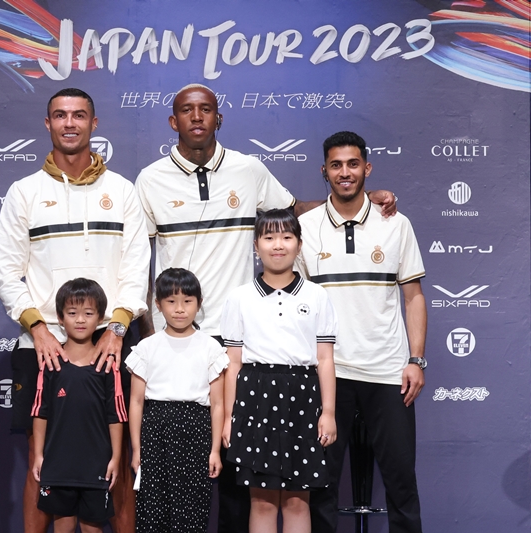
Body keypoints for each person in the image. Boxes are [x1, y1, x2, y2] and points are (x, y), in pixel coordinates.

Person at [133, 83, 395, 533]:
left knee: (240, 475)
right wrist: (149, 334)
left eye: (206, 109)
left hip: (239, 337)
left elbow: (295, 212)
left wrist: (358, 201)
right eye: (187, 110)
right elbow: (138, 261)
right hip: (179, 337)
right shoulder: (150, 179)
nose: (197, 117)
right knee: (183, 465)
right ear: (173, 121)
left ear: (219, 118)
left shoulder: (249, 169)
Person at [0, 87, 149, 533]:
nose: (69, 123)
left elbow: (137, 266)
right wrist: (39, 329)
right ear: (48, 124)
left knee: (117, 460)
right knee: (40, 462)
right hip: (42, 345)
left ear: (93, 124)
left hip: (111, 342)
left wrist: (116, 328)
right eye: (60, 115)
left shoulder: (121, 190)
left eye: (79, 115)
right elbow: (6, 272)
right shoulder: (24, 192)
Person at [297, 131, 426, 533]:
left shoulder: (396, 224)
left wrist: (416, 359)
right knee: (320, 489)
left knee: (402, 485)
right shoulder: (304, 228)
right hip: (327, 374)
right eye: (336, 165)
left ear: (367, 168)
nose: (345, 173)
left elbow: (413, 297)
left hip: (388, 372)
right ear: (324, 171)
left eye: (353, 164)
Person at [221, 209, 338, 533]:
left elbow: (325, 359)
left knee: (298, 500)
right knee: (261, 500)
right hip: (254, 398)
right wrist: (230, 417)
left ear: (299, 244)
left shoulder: (317, 296)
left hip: (302, 397)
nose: (278, 245)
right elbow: (233, 363)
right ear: (256, 246)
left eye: (286, 237)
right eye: (269, 237)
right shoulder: (239, 297)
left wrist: (328, 412)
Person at [126, 268, 228, 533]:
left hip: (196, 432)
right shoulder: (147, 347)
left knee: (191, 508)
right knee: (153, 507)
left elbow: (217, 404)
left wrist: (215, 450)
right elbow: (136, 402)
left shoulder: (211, 347)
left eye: (187, 301)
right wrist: (137, 449)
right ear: (158, 305)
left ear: (199, 303)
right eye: (171, 301)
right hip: (155, 431)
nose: (180, 309)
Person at [31, 278, 126, 533]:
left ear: (100, 318)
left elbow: (116, 416)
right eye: (72, 313)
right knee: (62, 525)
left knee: (92, 527)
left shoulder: (108, 366)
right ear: (60, 318)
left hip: (96, 466)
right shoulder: (50, 365)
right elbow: (40, 412)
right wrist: (39, 455)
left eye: (88, 313)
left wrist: (116, 457)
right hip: (58, 466)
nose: (80, 320)